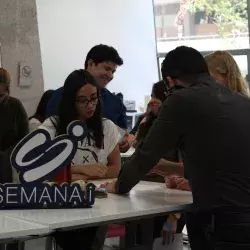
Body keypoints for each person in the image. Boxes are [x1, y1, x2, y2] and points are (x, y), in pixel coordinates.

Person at [103, 46, 250, 249]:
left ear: (171, 81)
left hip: (219, 220)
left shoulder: (181, 100)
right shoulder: (242, 102)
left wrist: (119, 185)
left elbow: (147, 154)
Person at [40, 69, 121, 250]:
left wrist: (77, 177)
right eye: (83, 101)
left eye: (94, 97)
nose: (91, 105)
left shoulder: (106, 127)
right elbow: (41, 168)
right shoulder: (52, 127)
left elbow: (115, 167)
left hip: (97, 203)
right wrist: (83, 170)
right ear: (70, 101)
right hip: (62, 205)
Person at [46, 44, 132, 152]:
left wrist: (126, 142)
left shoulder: (115, 102)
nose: (110, 75)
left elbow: (124, 134)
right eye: (107, 68)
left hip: (105, 166)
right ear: (90, 64)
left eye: (113, 71)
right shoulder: (60, 96)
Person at [0, 68, 29, 250]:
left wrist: (5, 155)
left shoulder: (15, 106)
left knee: (13, 221)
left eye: (0, 94)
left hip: (10, 169)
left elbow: (25, 140)